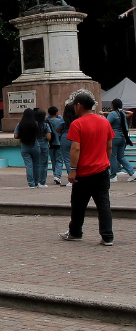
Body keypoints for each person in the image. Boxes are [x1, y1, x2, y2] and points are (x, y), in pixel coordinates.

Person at [63, 89, 114, 246]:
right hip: (102, 170)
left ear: (79, 106)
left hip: (84, 172)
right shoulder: (104, 122)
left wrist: (73, 169)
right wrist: (106, 161)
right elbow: (109, 145)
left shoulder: (77, 124)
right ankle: (107, 236)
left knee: (78, 204)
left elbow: (75, 148)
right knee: (103, 204)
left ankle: (75, 232)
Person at [13, 108, 42, 189]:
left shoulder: (20, 124)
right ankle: (37, 182)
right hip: (35, 144)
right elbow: (39, 134)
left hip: (24, 145)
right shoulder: (35, 123)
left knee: (28, 165)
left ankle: (31, 183)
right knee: (36, 164)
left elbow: (15, 136)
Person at [107, 98, 134, 183]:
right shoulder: (122, 113)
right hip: (123, 137)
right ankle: (132, 173)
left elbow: (106, 124)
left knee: (113, 156)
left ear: (113, 105)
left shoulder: (112, 114)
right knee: (121, 156)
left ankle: (113, 175)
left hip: (114, 137)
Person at [47, 105, 66, 186]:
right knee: (59, 160)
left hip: (50, 144)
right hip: (59, 143)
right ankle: (58, 176)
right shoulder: (59, 121)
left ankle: (55, 174)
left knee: (53, 160)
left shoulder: (47, 121)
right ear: (57, 112)